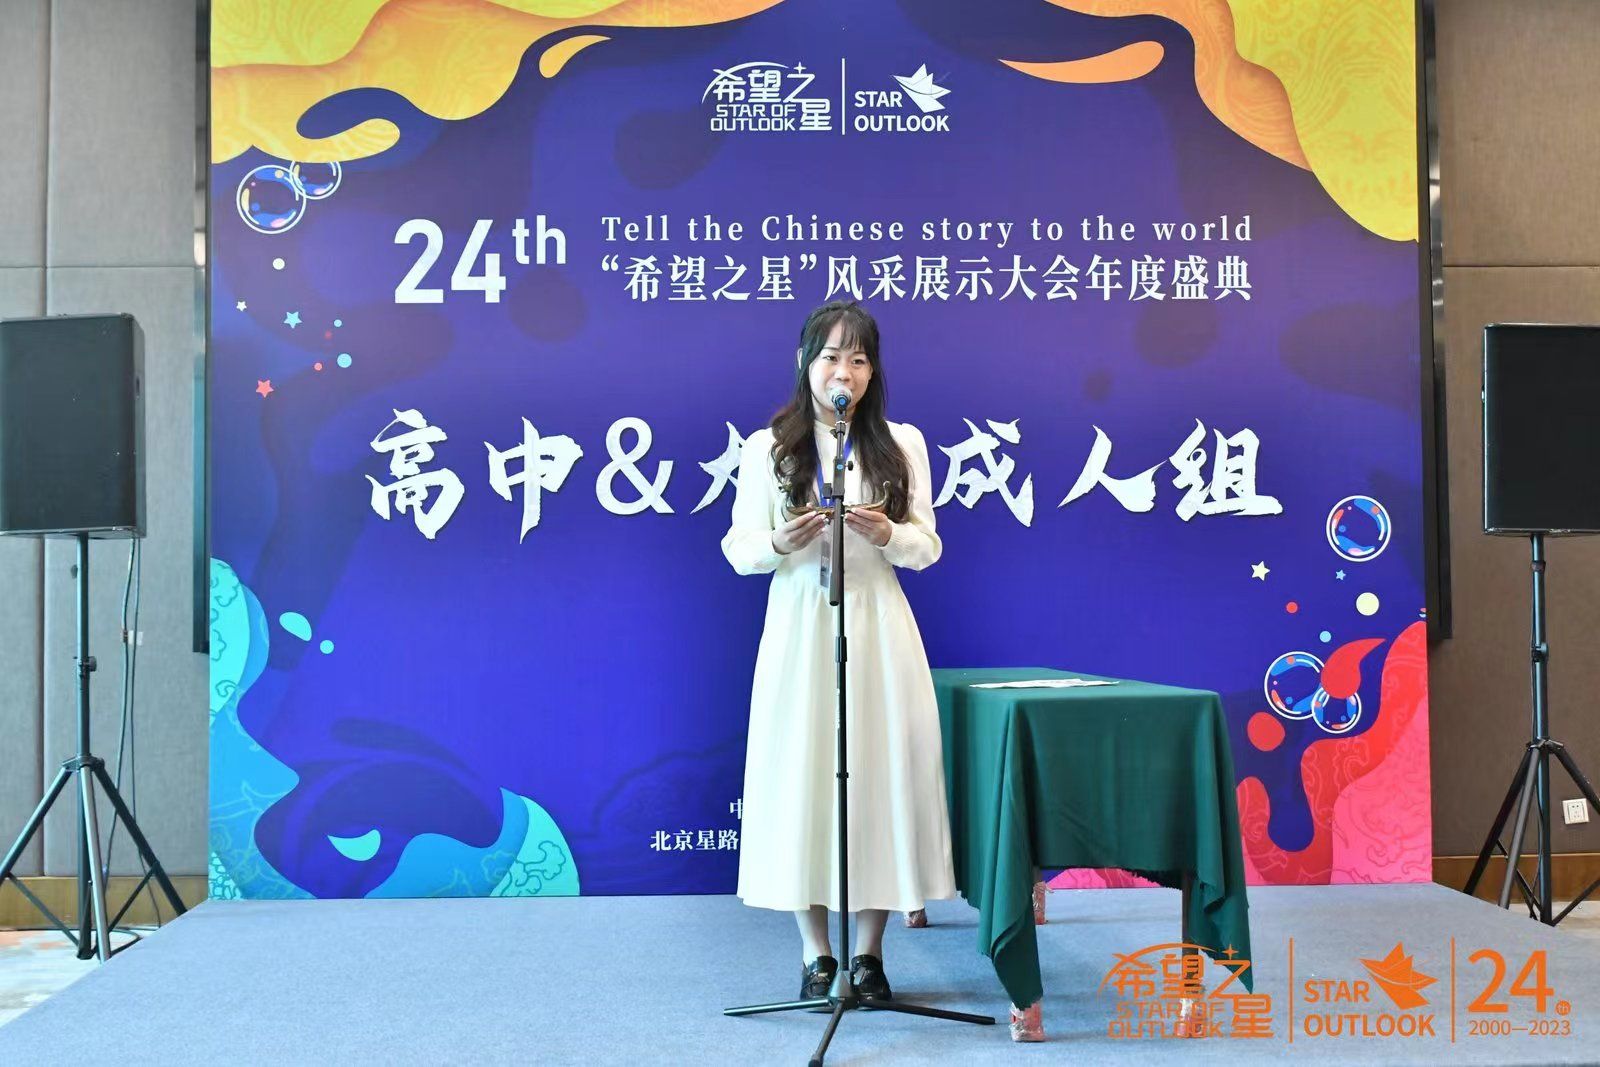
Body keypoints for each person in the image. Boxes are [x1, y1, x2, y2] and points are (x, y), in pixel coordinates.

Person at [721, 300, 956, 1004]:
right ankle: (815, 952)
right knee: (805, 776)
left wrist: (890, 534)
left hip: (877, 624)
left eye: (857, 359)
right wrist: (779, 541)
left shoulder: (900, 443)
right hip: (800, 626)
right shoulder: (768, 448)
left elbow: (927, 545)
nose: (842, 372)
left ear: (872, 372)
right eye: (830, 356)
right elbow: (739, 548)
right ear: (805, 363)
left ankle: (870, 954)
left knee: (879, 775)